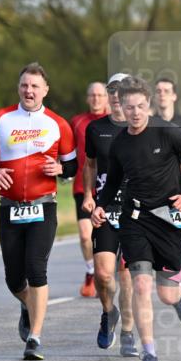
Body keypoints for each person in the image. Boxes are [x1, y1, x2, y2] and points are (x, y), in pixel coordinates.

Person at [92, 77, 181, 361]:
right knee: (141, 283)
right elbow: (115, 182)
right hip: (135, 219)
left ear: (148, 105)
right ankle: (149, 355)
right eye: (129, 107)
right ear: (120, 105)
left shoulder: (167, 132)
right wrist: (100, 206)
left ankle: (179, 296)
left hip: (169, 219)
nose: (135, 113)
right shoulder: (120, 144)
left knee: (165, 294)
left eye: (141, 107)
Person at [0, 62, 78, 360]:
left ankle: (35, 336)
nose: (29, 90)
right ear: (18, 88)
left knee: (36, 268)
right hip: (10, 208)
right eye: (24, 85)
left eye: (34, 86)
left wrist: (60, 168)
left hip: (42, 207)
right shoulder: (1, 118)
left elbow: (72, 166)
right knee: (13, 278)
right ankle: (26, 304)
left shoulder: (58, 124)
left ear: (45, 90)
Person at [82, 73, 136, 355]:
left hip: (132, 212)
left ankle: (128, 332)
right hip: (104, 209)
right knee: (103, 275)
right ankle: (108, 312)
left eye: (122, 90)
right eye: (112, 89)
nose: (116, 94)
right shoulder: (95, 129)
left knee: (125, 274)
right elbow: (89, 165)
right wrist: (89, 195)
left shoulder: (140, 127)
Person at [69, 82, 109, 297]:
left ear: (107, 98)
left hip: (109, 187)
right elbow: (66, 151)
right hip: (82, 186)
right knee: (86, 236)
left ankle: (106, 272)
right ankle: (91, 272)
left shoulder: (115, 121)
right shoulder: (77, 122)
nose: (96, 99)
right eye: (92, 95)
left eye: (100, 95)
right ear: (87, 98)